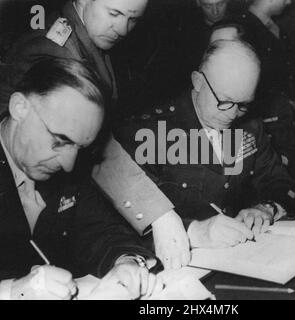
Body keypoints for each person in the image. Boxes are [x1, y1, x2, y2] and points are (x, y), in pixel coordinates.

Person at [5, 0, 190, 270]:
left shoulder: (88, 39)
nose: (123, 29)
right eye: (114, 13)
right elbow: (100, 151)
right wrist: (158, 214)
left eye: (133, 19)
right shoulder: (54, 51)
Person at [0, 58, 162, 300]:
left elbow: (99, 230)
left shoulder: (66, 168)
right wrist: (13, 292)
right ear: (19, 107)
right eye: (60, 140)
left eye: (79, 147)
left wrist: (127, 261)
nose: (69, 164)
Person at [115, 40, 295, 249]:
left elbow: (283, 184)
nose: (232, 114)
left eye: (243, 105)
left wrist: (266, 208)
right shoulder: (151, 133)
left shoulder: (249, 126)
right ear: (198, 81)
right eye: (224, 101)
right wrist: (193, 231)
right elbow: (119, 226)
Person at [235, 0, 295, 192]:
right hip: (264, 122)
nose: (289, 1)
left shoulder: (274, 26)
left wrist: (294, 98)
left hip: (283, 117)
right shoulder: (242, 29)